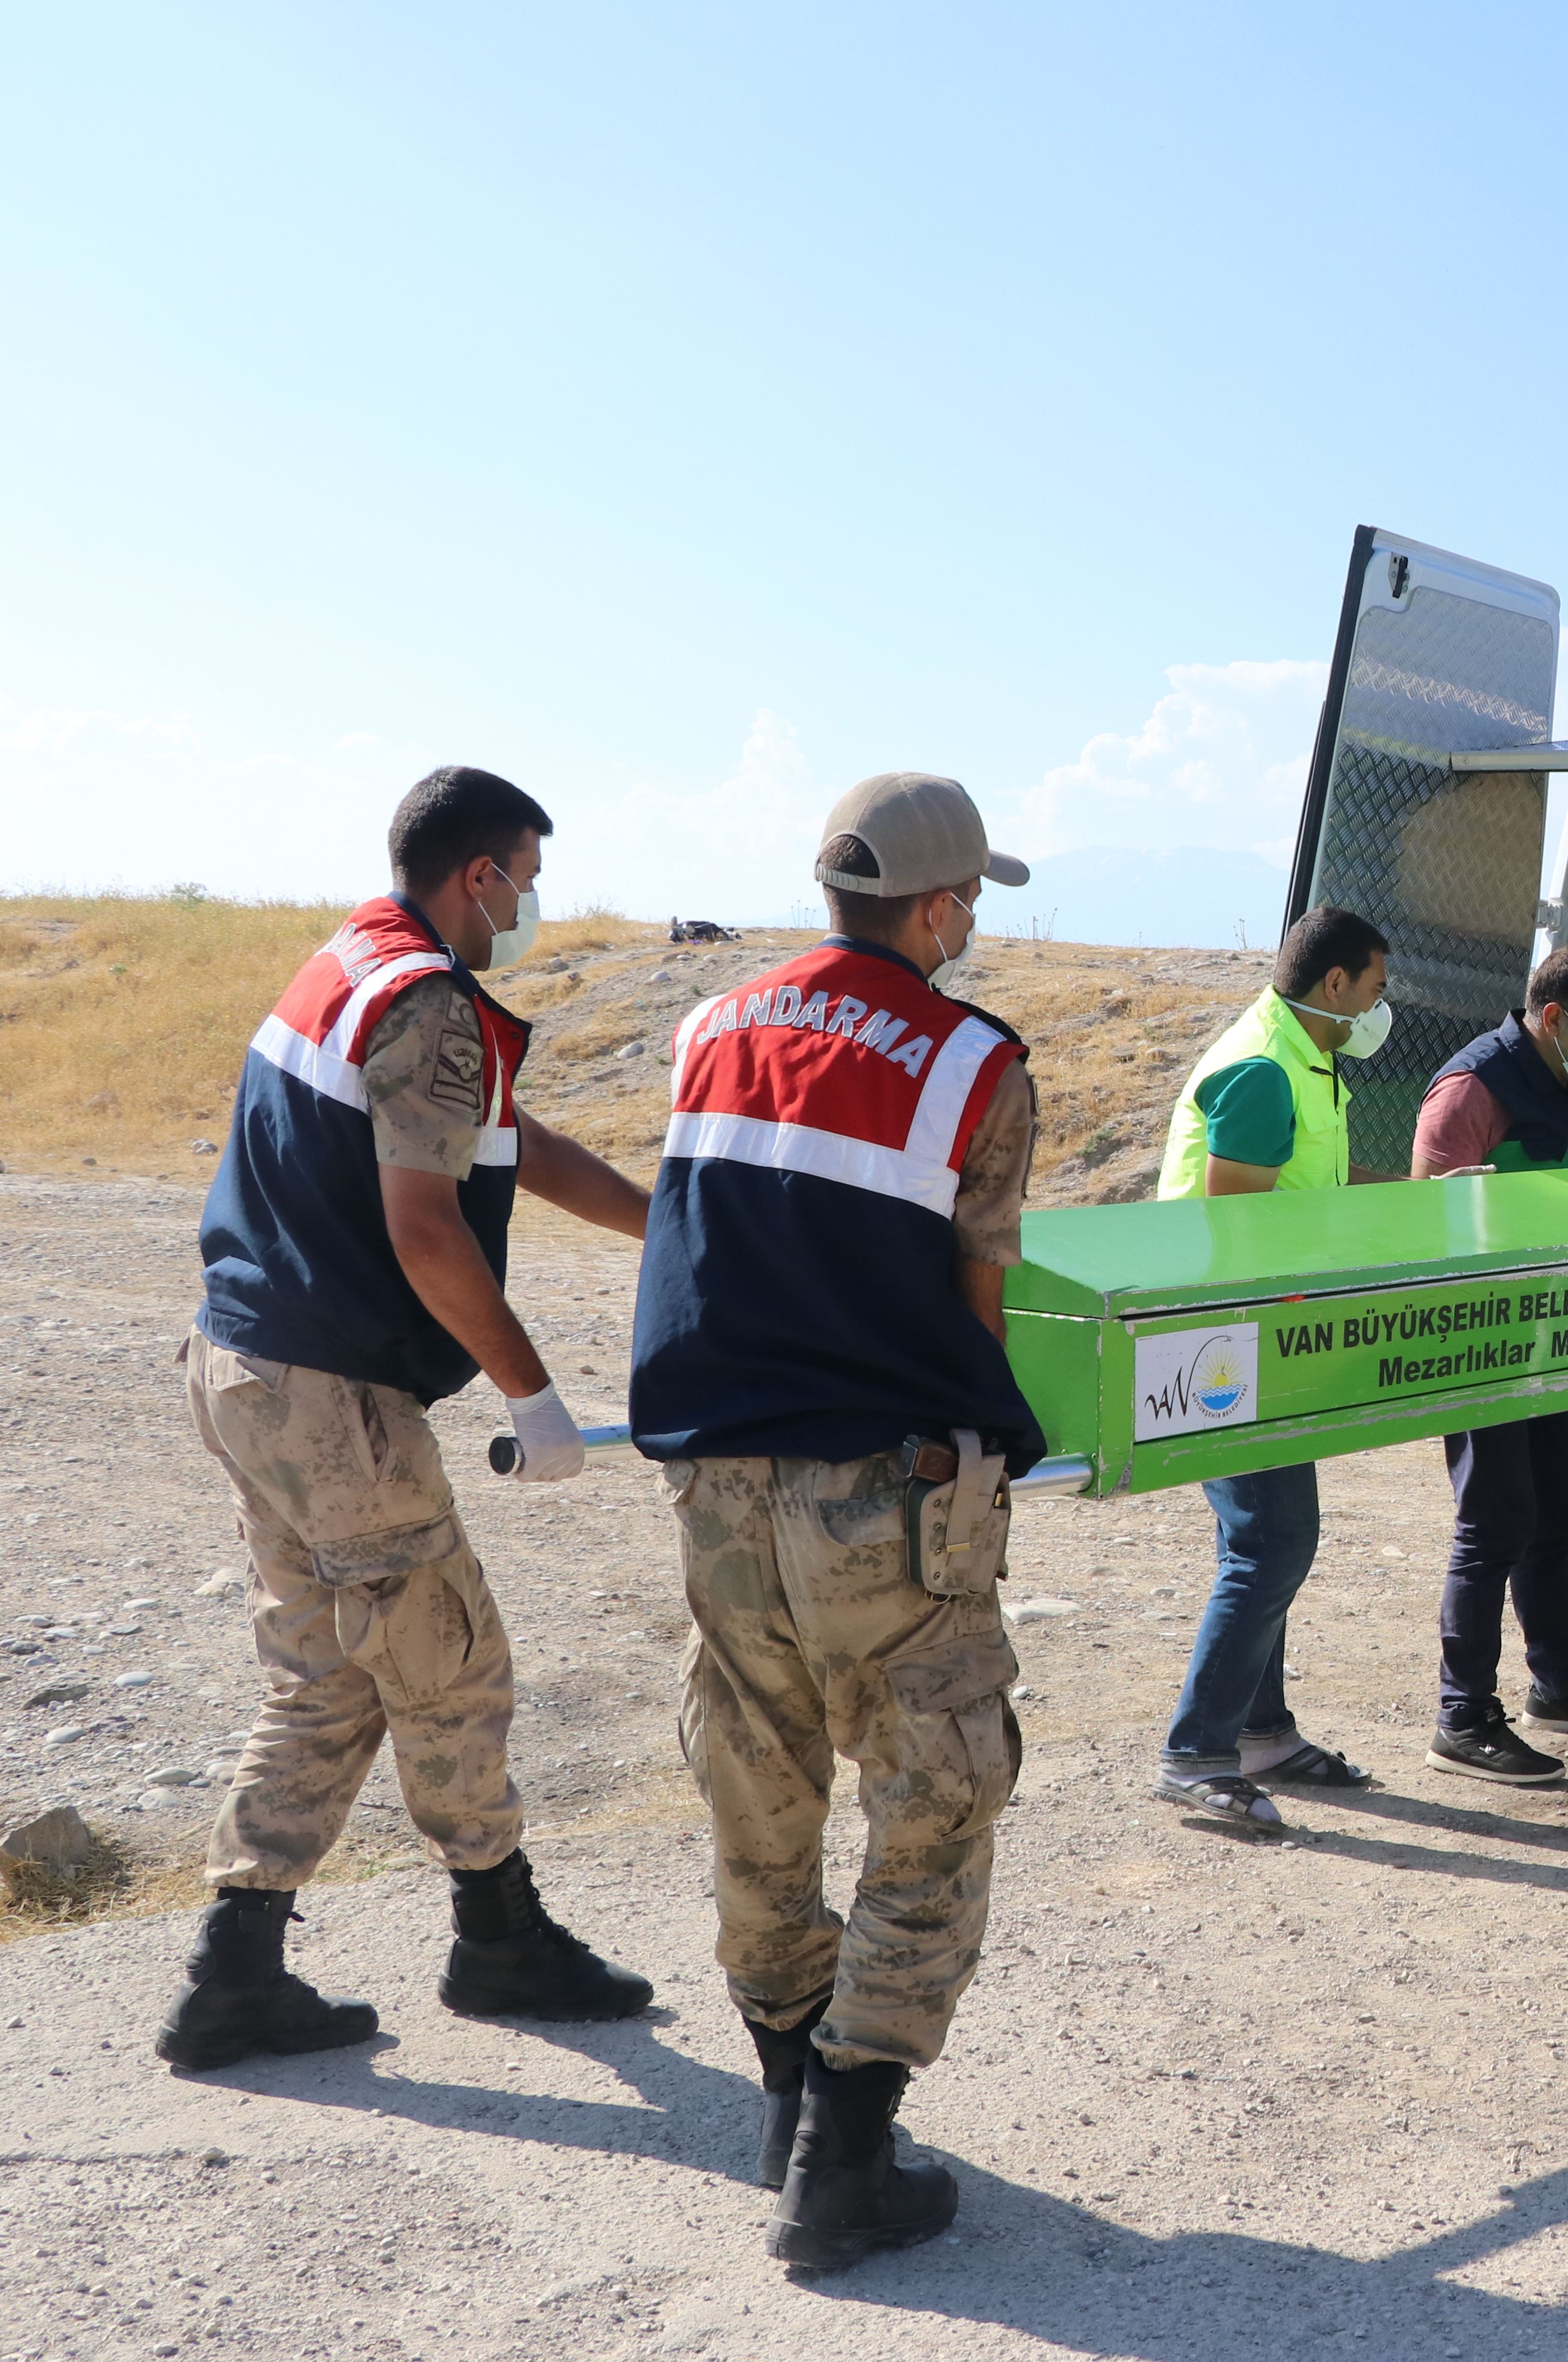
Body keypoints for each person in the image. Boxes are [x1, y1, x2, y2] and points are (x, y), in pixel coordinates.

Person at [163, 766, 658, 2072]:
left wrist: (665, 1225)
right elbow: (427, 1227)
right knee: (451, 1663)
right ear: (479, 875)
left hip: (242, 1364)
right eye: (528, 878)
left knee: (328, 1674)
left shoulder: (355, 960)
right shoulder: (431, 999)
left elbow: (506, 1137)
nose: (534, 904)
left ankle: (232, 1974)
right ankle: (500, 1939)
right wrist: (532, 1393)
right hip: (333, 1400)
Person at [629, 773, 1042, 2271]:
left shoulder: (713, 1024)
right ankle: (847, 2159)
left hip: (717, 1476)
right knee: (937, 1788)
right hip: (885, 1487)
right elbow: (978, 1296)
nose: (972, 922)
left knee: (757, 1776)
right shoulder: (975, 1061)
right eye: (970, 900)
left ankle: (787, 2094)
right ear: (935, 908)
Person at [1146, 905, 1396, 1828]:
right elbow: (1237, 1230)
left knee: (1260, 1541)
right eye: (1376, 988)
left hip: (1264, 1337)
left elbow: (1307, 1187)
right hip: (1225, 1340)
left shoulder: (1307, 1058)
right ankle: (1196, 1753)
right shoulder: (1262, 1068)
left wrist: (1417, 1199)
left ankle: (1261, 1734)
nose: (1380, 1007)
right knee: (1274, 1541)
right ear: (1335, 984)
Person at [1410, 942, 1568, 1784]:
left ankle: (1558, 1685)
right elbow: (1426, 1228)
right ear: (1553, 1018)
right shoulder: (1471, 1090)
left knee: (1558, 1507)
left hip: (1555, 1334)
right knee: (1494, 1522)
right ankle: (1461, 1718)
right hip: (1483, 1344)